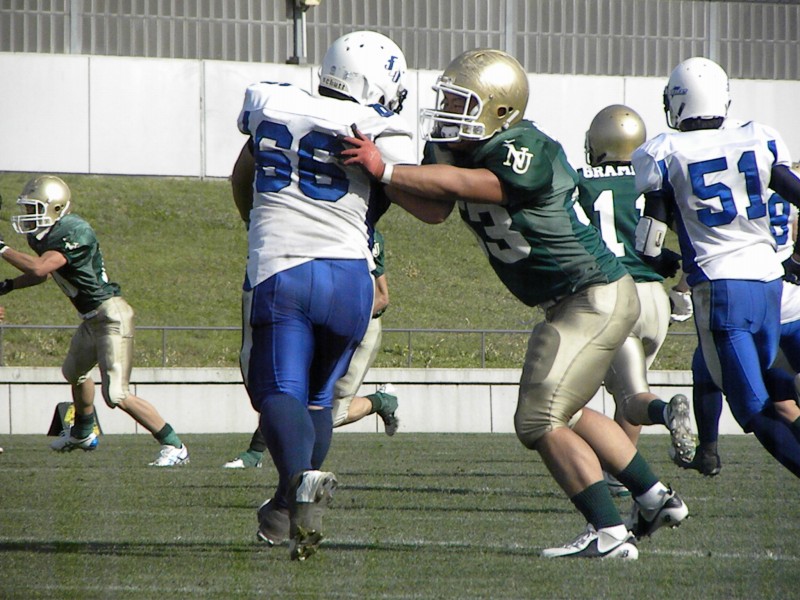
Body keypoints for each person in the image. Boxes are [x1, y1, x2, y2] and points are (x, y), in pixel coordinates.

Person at [342, 48, 689, 560]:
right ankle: (656, 499)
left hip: (593, 293)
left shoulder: (525, 144)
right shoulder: (457, 150)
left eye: (460, 102)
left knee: (537, 420)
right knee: (566, 412)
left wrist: (387, 170)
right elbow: (437, 208)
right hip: (574, 299)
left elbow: (485, 186)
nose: (447, 111)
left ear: (500, 111)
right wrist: (381, 178)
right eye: (447, 100)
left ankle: (610, 533)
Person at [229, 30, 416, 561]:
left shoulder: (273, 103)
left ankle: (298, 483)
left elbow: (241, 177)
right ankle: (283, 514)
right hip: (352, 282)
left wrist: (255, 224)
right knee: (318, 399)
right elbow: (422, 197)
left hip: (281, 272)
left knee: (275, 392)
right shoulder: (379, 128)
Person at [632, 56, 800, 478]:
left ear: (676, 101)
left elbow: (648, 241)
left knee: (753, 408)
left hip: (721, 288)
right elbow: (792, 189)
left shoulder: (664, 151)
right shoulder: (758, 136)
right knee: (769, 384)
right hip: (770, 282)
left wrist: (665, 260)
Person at [0, 175, 189, 466]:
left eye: (33, 208)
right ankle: (83, 433)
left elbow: (39, 268)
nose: (28, 214)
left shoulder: (75, 229)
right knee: (74, 372)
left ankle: (174, 445)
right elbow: (44, 273)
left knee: (116, 394)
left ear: (55, 207)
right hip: (91, 319)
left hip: (110, 315)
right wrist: (10, 285)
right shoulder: (45, 236)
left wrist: (2, 249)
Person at [575, 104, 695, 497]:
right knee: (631, 391)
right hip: (655, 300)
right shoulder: (658, 180)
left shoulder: (581, 181)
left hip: (610, 294)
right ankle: (618, 476)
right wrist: (683, 292)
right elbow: (693, 241)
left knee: (570, 395)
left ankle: (619, 466)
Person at [223, 229, 399, 471]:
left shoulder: (363, 232)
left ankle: (381, 401)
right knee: (288, 390)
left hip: (355, 322)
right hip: (309, 312)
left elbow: (381, 297)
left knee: (328, 410)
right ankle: (257, 454)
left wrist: (344, 319)